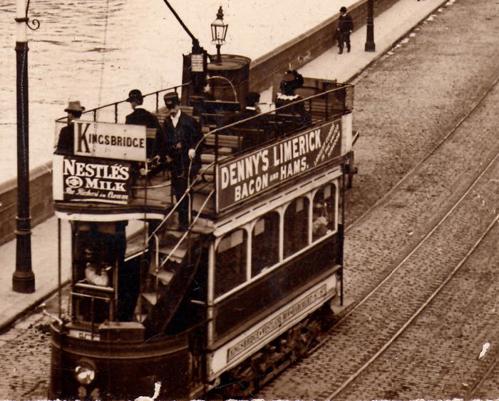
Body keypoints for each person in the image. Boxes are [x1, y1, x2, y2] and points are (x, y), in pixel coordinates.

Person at [158, 92, 203, 230]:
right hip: (175, 162)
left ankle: (185, 221)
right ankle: (182, 217)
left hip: (188, 162)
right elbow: (162, 142)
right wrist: (162, 154)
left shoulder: (189, 122)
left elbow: (201, 140)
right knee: (178, 190)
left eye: (173, 107)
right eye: (169, 108)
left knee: (186, 190)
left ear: (178, 105)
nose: (172, 111)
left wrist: (192, 149)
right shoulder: (167, 122)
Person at [125, 89, 162, 161]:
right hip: (150, 154)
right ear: (142, 101)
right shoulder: (152, 117)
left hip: (134, 155)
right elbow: (160, 136)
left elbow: (127, 138)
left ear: (133, 103)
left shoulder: (129, 118)